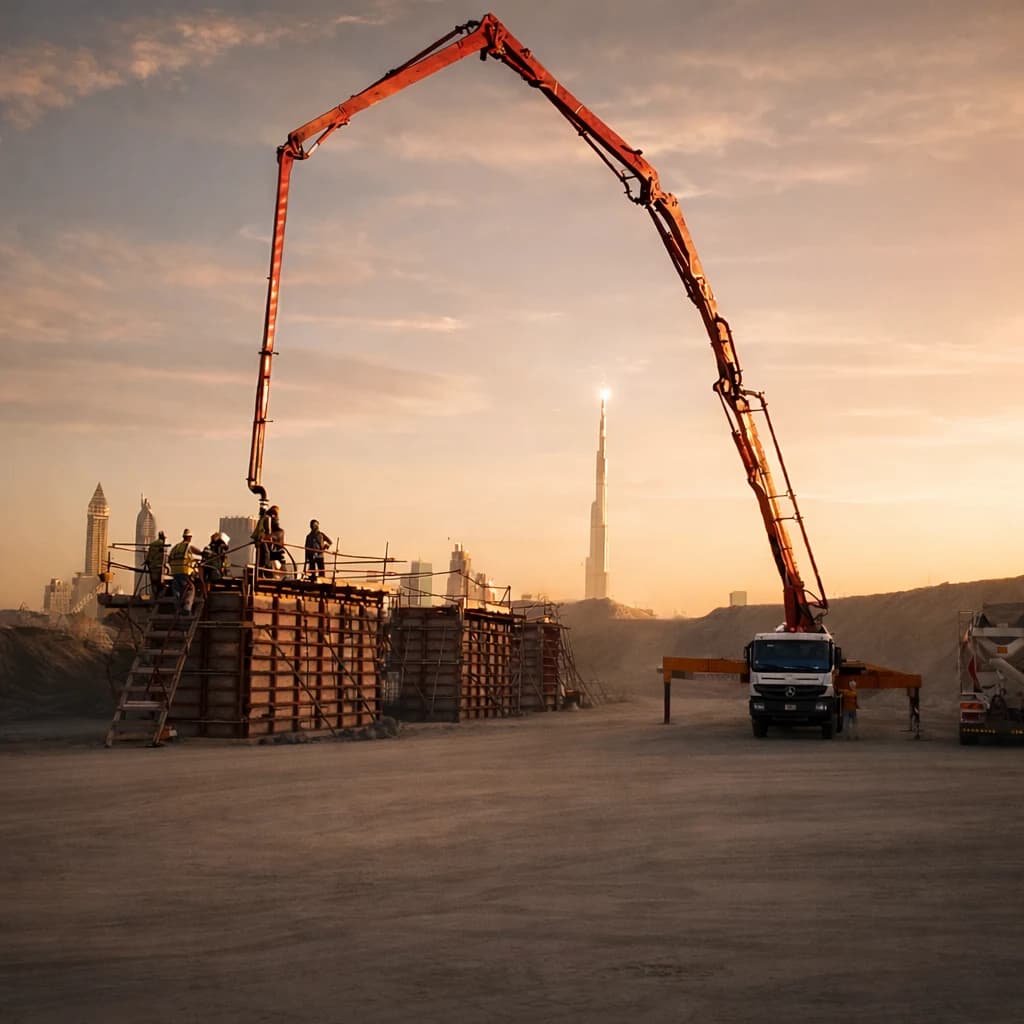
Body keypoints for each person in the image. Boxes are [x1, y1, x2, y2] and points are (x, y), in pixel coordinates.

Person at [168, 529, 203, 614]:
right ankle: (187, 608)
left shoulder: (175, 547)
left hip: (174, 572)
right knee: (190, 588)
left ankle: (177, 608)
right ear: (189, 537)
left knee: (177, 590)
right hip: (184, 572)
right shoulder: (188, 546)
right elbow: (199, 552)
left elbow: (169, 558)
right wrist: (205, 553)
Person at [145, 530, 167, 598]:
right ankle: (159, 597)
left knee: (154, 583)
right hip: (159, 567)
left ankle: (155, 596)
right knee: (160, 583)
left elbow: (149, 557)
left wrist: (148, 562)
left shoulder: (152, 544)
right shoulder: (163, 545)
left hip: (152, 567)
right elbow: (164, 557)